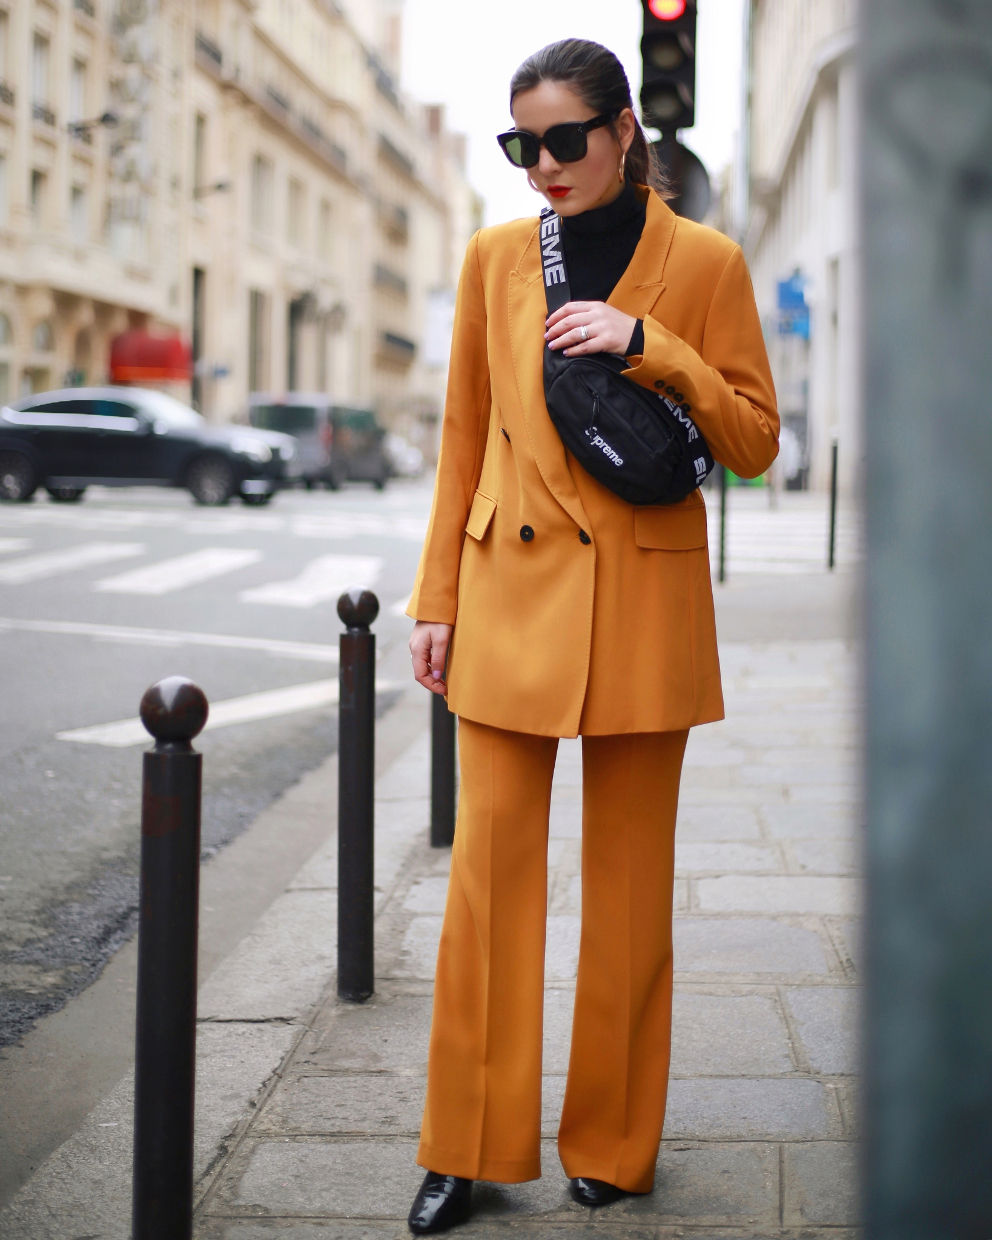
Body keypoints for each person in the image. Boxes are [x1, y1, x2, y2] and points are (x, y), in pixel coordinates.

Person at [404, 38, 779, 1235]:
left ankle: (615, 1144)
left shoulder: (706, 261)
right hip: (506, 592)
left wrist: (646, 346)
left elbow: (757, 438)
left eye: (567, 138)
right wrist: (435, 601)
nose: (545, 167)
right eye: (524, 145)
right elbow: (463, 435)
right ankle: (463, 1148)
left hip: (640, 606)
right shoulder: (496, 258)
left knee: (627, 894)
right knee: (487, 885)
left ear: (625, 131)